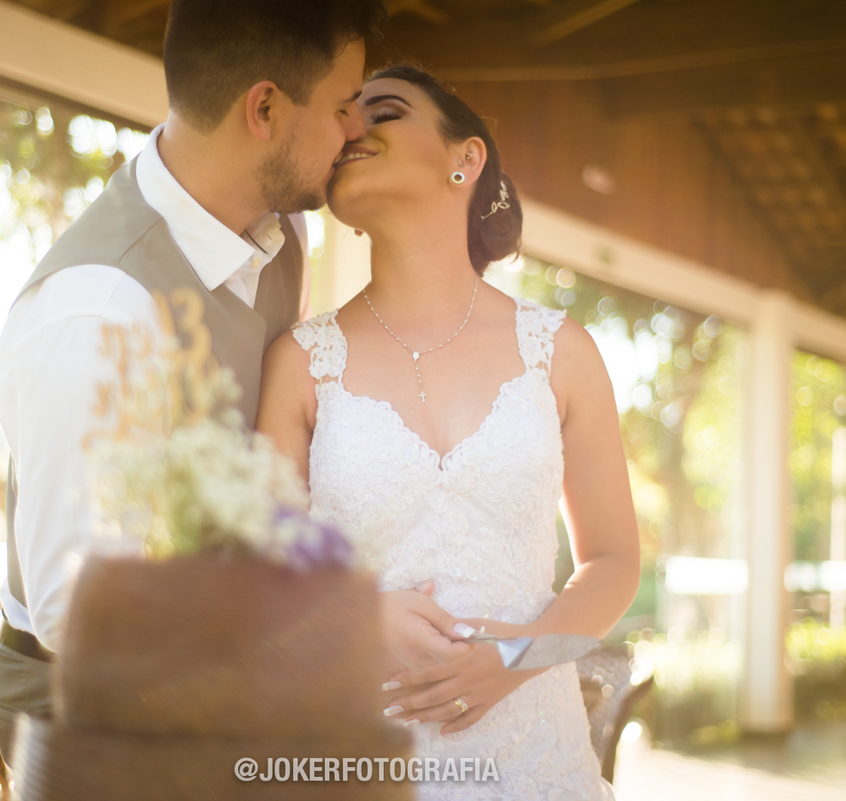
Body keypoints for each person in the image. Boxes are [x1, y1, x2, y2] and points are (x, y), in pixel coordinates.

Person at [0, 0, 392, 765]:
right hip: (86, 723)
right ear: (264, 109)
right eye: (343, 105)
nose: (355, 129)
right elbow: (76, 611)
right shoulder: (100, 309)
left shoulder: (285, 233)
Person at [257, 65, 642, 798]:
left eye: (384, 111)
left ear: (465, 159)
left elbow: (615, 561)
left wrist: (516, 658)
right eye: (345, 115)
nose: (353, 127)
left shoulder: (560, 352)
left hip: (536, 764)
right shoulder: (300, 362)